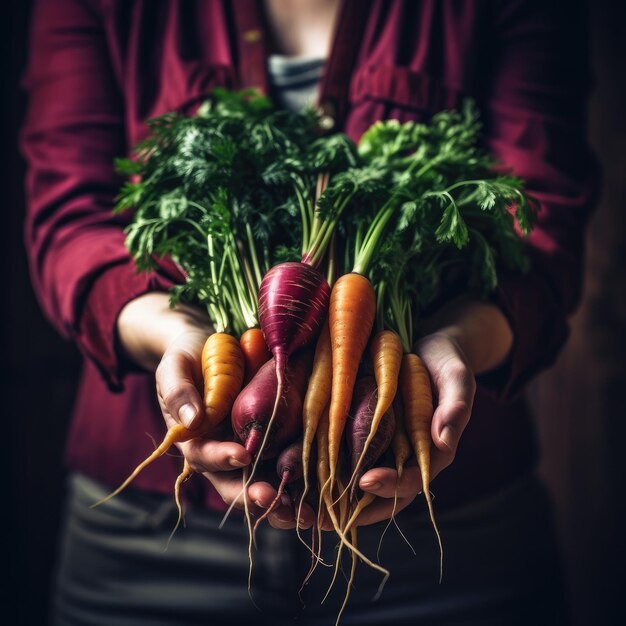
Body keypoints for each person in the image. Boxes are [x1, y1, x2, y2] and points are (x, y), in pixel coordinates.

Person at [21, 0, 598, 624]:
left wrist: (455, 339)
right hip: (146, 533)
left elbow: (540, 234)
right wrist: (175, 338)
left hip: (443, 533)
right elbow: (70, 220)